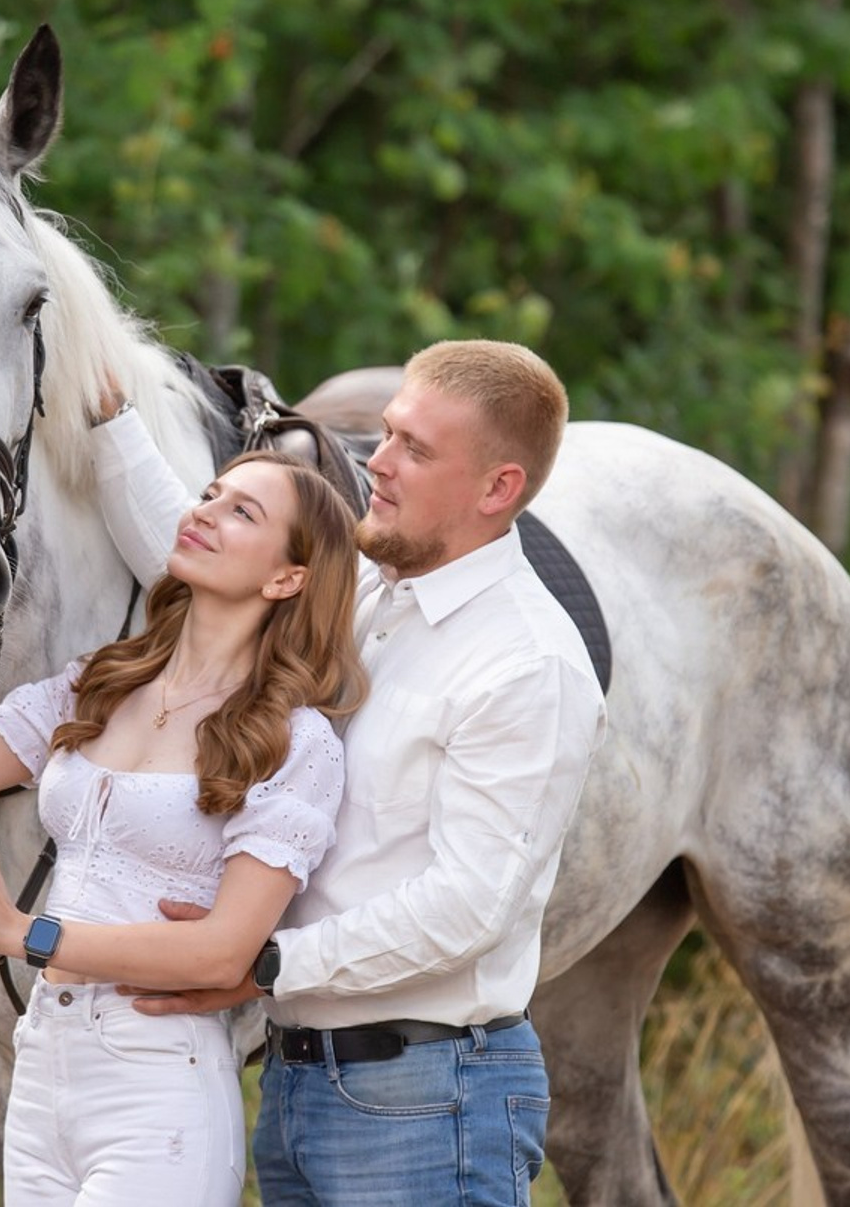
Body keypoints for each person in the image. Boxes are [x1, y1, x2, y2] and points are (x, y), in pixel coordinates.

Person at [88, 339, 607, 1206]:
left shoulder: (526, 664)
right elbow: (203, 557)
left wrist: (260, 962)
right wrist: (107, 412)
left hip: (427, 1100)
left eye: (415, 449)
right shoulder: (365, 592)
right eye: (388, 433)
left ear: (498, 489)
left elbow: (467, 907)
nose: (379, 463)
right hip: (298, 1083)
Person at [0, 423, 367, 1207]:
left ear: (288, 577)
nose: (204, 512)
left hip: (158, 1087)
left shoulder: (294, 741)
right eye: (210, 494)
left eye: (242, 513)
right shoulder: (96, 687)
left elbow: (223, 954)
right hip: (43, 1067)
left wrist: (25, 933)